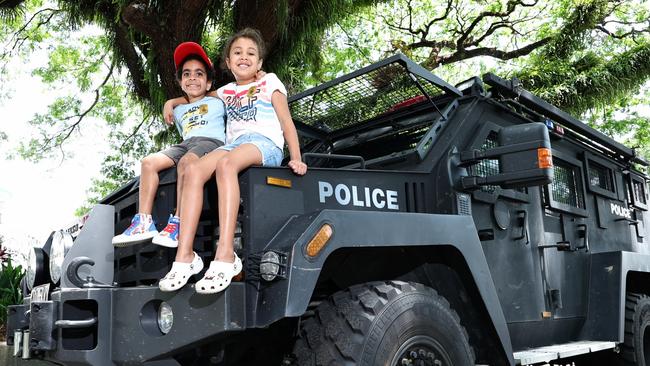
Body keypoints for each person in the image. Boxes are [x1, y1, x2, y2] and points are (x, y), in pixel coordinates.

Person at [159, 28, 307, 294]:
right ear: (228, 63)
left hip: (263, 144)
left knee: (226, 165)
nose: (244, 57)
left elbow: (286, 122)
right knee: (193, 170)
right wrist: (171, 101)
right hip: (234, 145)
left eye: (251, 53)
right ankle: (185, 256)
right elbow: (197, 95)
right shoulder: (226, 91)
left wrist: (296, 157)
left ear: (260, 63)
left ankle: (226, 254)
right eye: (237, 53)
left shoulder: (270, 82)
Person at [112, 42, 226, 248]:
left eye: (199, 74)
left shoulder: (218, 98)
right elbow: (183, 99)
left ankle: (179, 222)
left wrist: (258, 75)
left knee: (187, 162)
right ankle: (144, 222)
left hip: (211, 142)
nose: (192, 77)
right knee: (148, 162)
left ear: (209, 83)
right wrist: (171, 103)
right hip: (186, 143)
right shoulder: (179, 108)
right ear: (181, 82)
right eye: (187, 74)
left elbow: (240, 88)